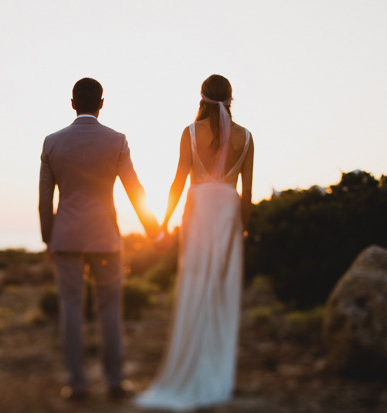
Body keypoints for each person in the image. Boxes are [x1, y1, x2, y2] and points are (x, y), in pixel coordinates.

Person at [135, 74, 254, 411]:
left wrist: (162, 223)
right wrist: (243, 229)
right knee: (221, 289)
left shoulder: (190, 133)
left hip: (200, 212)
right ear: (231, 99)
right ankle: (217, 370)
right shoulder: (247, 138)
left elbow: (177, 182)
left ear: (201, 98)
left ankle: (193, 365)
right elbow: (247, 193)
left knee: (195, 284)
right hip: (229, 214)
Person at [38, 77, 160, 401]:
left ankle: (77, 384)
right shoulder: (116, 141)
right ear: (102, 103)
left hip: (65, 238)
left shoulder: (52, 142)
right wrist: (155, 231)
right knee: (109, 311)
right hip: (105, 238)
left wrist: (48, 239)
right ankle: (115, 382)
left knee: (71, 310)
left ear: (72, 103)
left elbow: (44, 199)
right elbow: (135, 191)